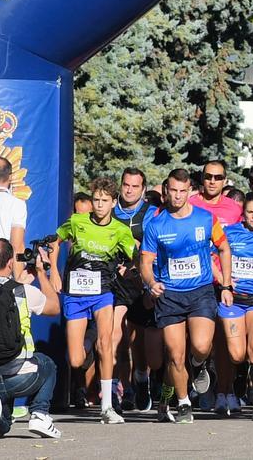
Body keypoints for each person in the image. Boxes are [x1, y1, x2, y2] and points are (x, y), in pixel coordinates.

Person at [139, 168, 233, 424]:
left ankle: (199, 364)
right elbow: (145, 262)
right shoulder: (156, 224)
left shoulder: (205, 218)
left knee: (201, 347)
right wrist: (150, 283)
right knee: (174, 354)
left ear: (190, 191)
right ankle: (182, 402)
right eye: (173, 191)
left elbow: (224, 248)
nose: (178, 196)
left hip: (201, 291)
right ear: (166, 191)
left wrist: (226, 284)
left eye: (183, 191)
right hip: (170, 295)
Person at [51, 177, 138, 424]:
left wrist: (129, 269)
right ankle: (87, 339)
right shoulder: (77, 222)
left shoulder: (120, 230)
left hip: (103, 291)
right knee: (76, 359)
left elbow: (134, 257)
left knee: (106, 343)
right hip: (76, 294)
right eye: (96, 200)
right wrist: (55, 273)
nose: (99, 205)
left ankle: (107, 406)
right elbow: (55, 242)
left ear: (113, 203)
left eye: (104, 201)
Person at [0, 239, 62, 440]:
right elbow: (55, 307)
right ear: (11, 262)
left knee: (3, 427)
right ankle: (39, 414)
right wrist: (41, 274)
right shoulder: (23, 292)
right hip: (20, 376)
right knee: (48, 364)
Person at [219, 192, 253, 421]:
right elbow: (214, 258)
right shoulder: (230, 233)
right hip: (233, 300)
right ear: (243, 213)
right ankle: (232, 386)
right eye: (250, 212)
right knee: (237, 354)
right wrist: (224, 283)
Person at [111, 167, 158, 411]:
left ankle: (141, 379)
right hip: (114, 282)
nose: (129, 190)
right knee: (116, 335)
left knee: (137, 338)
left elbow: (149, 245)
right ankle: (123, 389)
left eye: (135, 186)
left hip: (139, 282)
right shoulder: (110, 210)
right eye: (126, 185)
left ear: (143, 189)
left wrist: (133, 260)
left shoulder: (150, 213)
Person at [188, 160, 242, 226]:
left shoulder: (235, 209)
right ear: (202, 178)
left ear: (225, 181)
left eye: (218, 178)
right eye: (208, 177)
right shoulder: (189, 205)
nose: (212, 182)